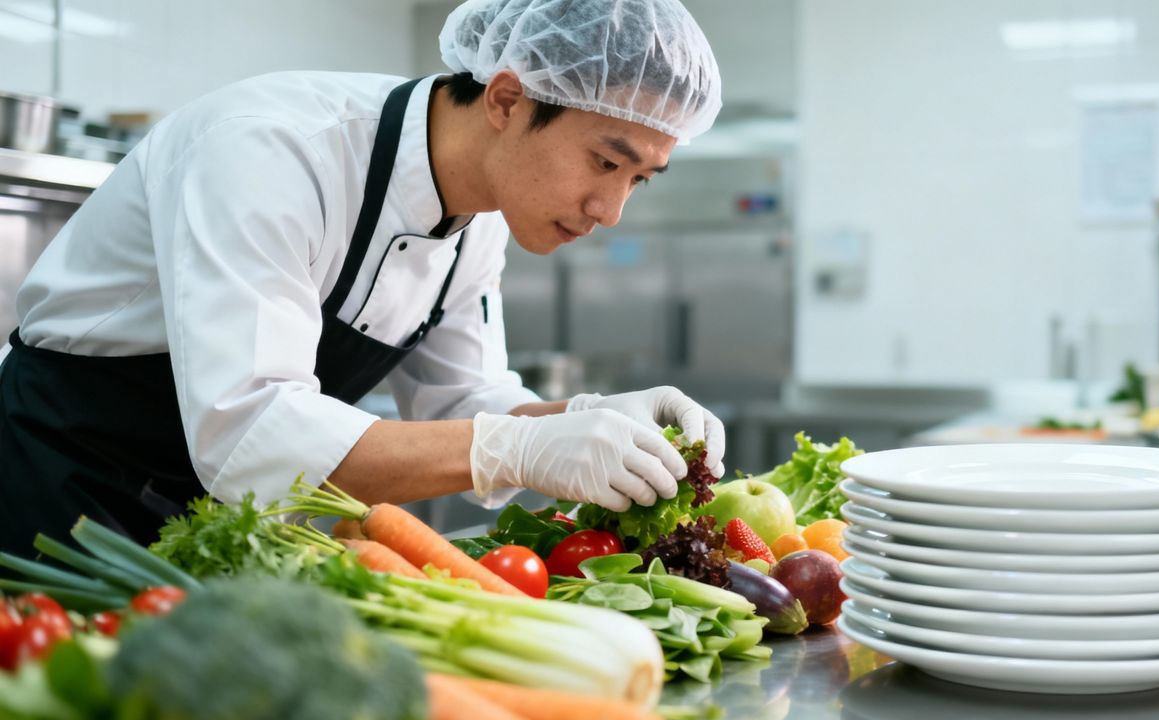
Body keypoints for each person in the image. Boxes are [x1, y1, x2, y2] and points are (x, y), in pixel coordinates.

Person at [0, 0, 725, 554]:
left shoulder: (483, 221)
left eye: (642, 179)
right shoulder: (273, 151)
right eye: (605, 162)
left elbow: (466, 403)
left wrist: (585, 419)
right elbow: (249, 432)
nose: (610, 210)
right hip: (59, 487)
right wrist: (520, 446)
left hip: (215, 523)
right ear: (507, 99)